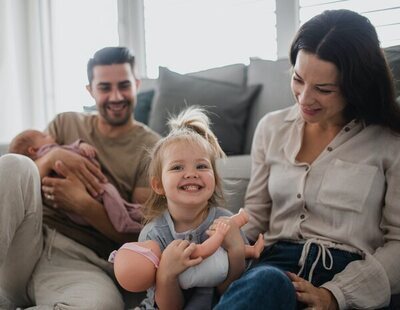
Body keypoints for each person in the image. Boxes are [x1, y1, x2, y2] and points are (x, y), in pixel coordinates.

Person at [215, 9, 400, 310]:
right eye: (298, 79)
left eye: (323, 90)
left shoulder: (390, 141)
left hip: (352, 278)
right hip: (273, 272)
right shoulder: (271, 129)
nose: (304, 98)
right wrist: (214, 240)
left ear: (357, 87)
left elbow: (399, 245)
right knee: (266, 282)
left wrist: (335, 295)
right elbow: (256, 219)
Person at [0, 46, 160, 309]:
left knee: (104, 306)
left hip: (81, 262)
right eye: (105, 87)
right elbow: (22, 183)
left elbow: (140, 238)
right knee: (14, 164)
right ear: (90, 90)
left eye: (124, 85)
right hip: (26, 240)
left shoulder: (152, 148)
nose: (116, 96)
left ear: (137, 85)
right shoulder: (65, 124)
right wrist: (50, 159)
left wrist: (83, 205)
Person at [134, 107, 258, 309]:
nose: (191, 174)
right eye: (177, 167)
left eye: (201, 166)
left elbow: (231, 293)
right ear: (158, 185)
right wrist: (166, 273)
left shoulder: (225, 222)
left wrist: (235, 250)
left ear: (215, 180)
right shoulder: (154, 235)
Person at [8, 129, 144, 233]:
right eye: (44, 136)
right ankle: (125, 220)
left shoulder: (146, 140)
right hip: (56, 219)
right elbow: (27, 181)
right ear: (33, 150)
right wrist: (79, 146)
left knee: (112, 200)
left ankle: (127, 212)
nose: (51, 135)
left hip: (79, 212)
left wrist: (83, 204)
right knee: (110, 194)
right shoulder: (51, 145)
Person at [109, 208, 264, 292]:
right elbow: (204, 250)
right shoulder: (174, 254)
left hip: (219, 273)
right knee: (223, 229)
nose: (145, 242)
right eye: (142, 246)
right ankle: (242, 219)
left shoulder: (166, 278)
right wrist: (219, 235)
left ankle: (252, 250)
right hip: (219, 267)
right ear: (151, 258)